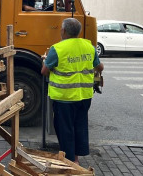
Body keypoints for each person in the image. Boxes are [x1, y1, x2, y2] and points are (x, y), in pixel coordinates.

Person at [40, 18, 104, 164]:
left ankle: (69, 162)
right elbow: (99, 67)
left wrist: (45, 60)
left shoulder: (57, 49)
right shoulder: (89, 47)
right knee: (80, 125)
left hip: (65, 97)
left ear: (63, 31)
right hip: (85, 96)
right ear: (78, 32)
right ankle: (75, 159)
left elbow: (44, 71)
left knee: (65, 129)